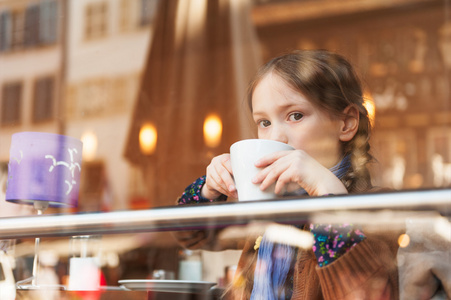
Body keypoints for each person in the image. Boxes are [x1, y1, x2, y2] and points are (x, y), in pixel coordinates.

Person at [176, 49, 401, 299]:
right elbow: (190, 236)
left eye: (295, 116)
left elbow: (364, 295)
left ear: (346, 123)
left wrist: (328, 197)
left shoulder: (379, 208)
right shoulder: (271, 203)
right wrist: (210, 188)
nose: (275, 137)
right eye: (264, 122)